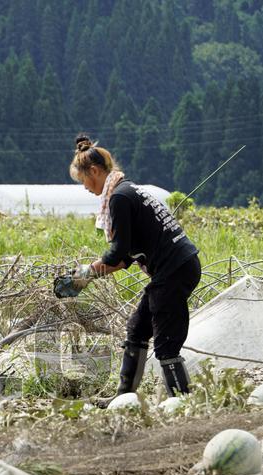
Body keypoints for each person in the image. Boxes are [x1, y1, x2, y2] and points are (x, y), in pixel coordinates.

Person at [65, 134, 201, 397]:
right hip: (179, 266)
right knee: (137, 329)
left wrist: (86, 272)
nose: (84, 187)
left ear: (94, 171)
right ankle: (124, 397)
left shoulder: (119, 198)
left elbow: (117, 252)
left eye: (83, 180)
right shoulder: (127, 190)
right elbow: (127, 257)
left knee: (166, 345)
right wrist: (90, 275)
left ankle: (183, 404)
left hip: (173, 270)